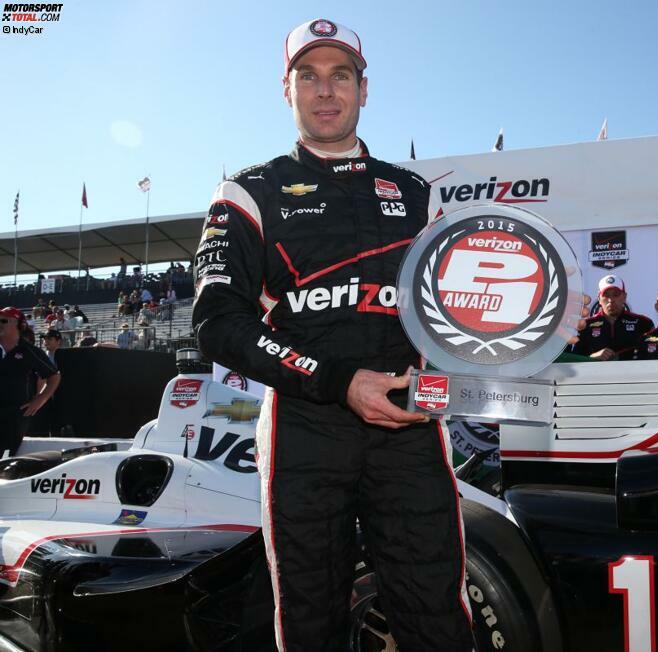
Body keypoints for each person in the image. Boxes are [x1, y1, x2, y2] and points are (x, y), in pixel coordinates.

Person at [190, 18, 473, 651]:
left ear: (363, 89)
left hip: (410, 427)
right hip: (305, 432)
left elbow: (460, 308)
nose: (325, 90)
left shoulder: (416, 193)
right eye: (308, 76)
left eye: (340, 75)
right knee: (309, 620)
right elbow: (217, 323)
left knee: (435, 616)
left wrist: (525, 310)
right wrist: (338, 382)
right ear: (285, 90)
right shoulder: (247, 192)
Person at [0, 307, 60, 458]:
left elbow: (54, 376)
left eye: (4, 321)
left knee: (3, 457)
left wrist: (39, 400)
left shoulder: (29, 351)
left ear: (20, 325)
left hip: (15, 415)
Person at [571, 275, 653, 360]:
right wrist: (593, 357)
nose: (611, 300)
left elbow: (653, 356)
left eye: (616, 295)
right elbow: (575, 359)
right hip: (596, 373)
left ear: (624, 297)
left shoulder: (643, 323)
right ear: (599, 299)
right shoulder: (585, 326)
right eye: (606, 295)